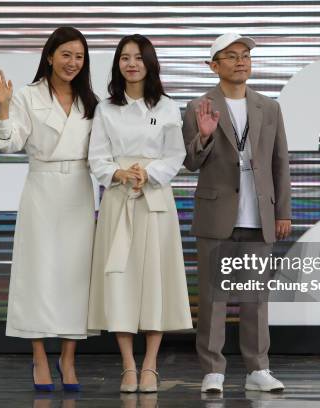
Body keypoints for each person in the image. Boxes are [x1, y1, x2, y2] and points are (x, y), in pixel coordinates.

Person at [0, 26, 99, 392]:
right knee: (38, 274)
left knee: (75, 277)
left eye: (79, 56)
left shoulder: (91, 101)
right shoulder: (26, 96)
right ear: (50, 56)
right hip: (42, 190)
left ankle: (67, 358)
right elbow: (8, 144)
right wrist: (3, 109)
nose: (72, 62)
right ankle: (38, 356)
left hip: (79, 192)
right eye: (66, 54)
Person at [182, 33, 292, 393]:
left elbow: (280, 164)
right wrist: (204, 135)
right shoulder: (199, 105)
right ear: (214, 66)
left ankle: (257, 368)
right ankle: (213, 370)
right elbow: (191, 162)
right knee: (213, 297)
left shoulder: (268, 107)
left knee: (255, 298)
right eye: (231, 56)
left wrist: (282, 211)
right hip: (217, 215)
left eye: (245, 55)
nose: (241, 61)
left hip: (259, 215)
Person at [87, 34, 193, 393]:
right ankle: (128, 366)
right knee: (120, 280)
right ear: (117, 64)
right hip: (119, 200)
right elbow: (96, 158)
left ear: (150, 63)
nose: (131, 64)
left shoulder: (166, 106)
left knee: (155, 280)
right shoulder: (105, 108)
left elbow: (175, 156)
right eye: (124, 58)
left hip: (155, 202)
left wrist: (149, 174)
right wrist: (118, 173)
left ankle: (150, 365)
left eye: (138, 57)